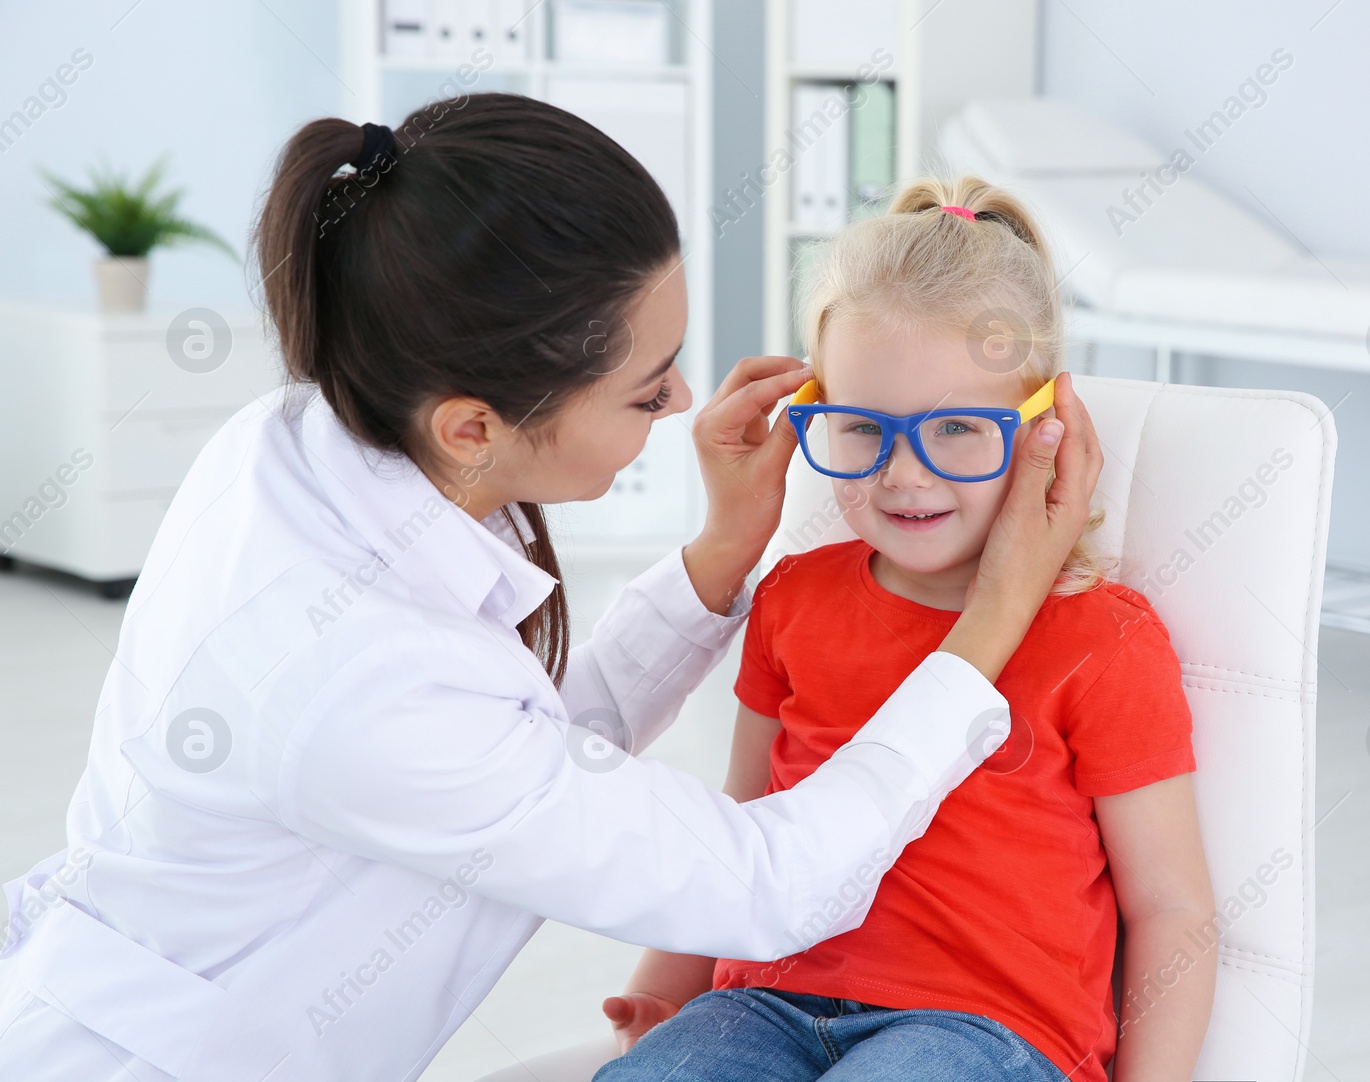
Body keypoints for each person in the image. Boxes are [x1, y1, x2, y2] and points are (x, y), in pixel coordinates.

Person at [0, 98, 1103, 1081]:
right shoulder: (349, 678)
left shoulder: (301, 436)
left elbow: (530, 744)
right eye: (639, 388)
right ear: (474, 426)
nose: (679, 399)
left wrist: (721, 547)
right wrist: (994, 612)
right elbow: (763, 879)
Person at [595, 177, 1215, 1082]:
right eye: (861, 428)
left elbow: (1171, 907)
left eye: (959, 428)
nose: (903, 474)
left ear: (1047, 425)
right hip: (763, 1002)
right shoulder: (793, 600)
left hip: (982, 1031)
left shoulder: (1102, 639)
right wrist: (668, 982)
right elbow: (744, 825)